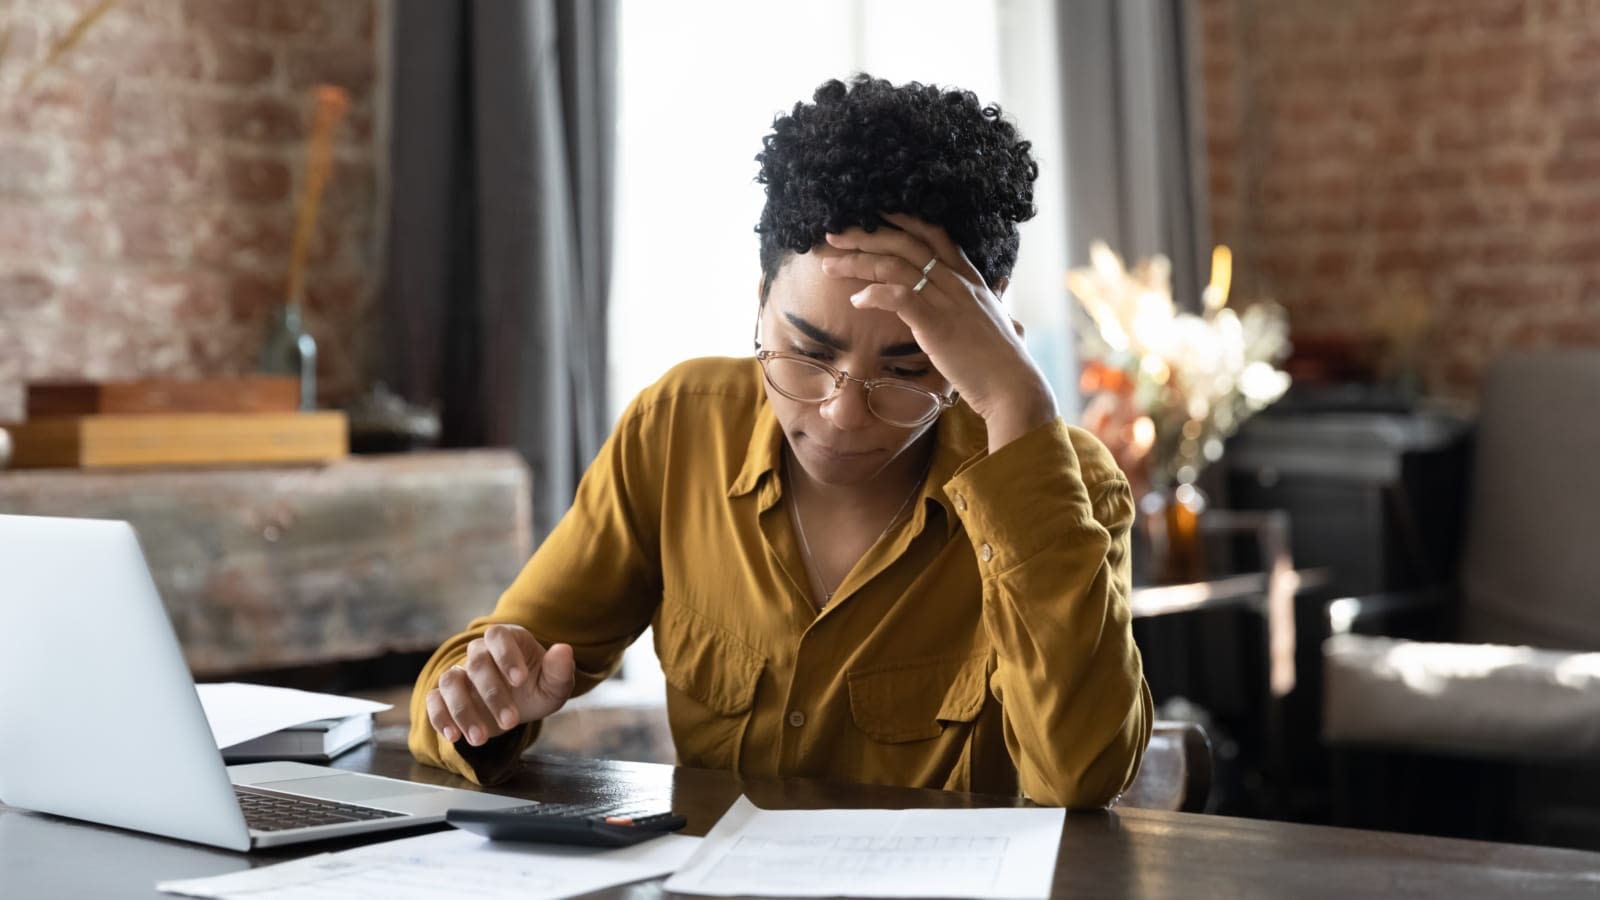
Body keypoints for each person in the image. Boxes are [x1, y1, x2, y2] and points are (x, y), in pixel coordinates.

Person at [409, 74, 1152, 808]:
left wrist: (1018, 404)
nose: (841, 414)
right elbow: (472, 675)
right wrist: (480, 702)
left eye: (906, 369)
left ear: (977, 358)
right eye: (807, 352)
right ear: (761, 303)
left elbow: (1080, 775)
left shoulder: (1063, 483)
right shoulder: (680, 429)